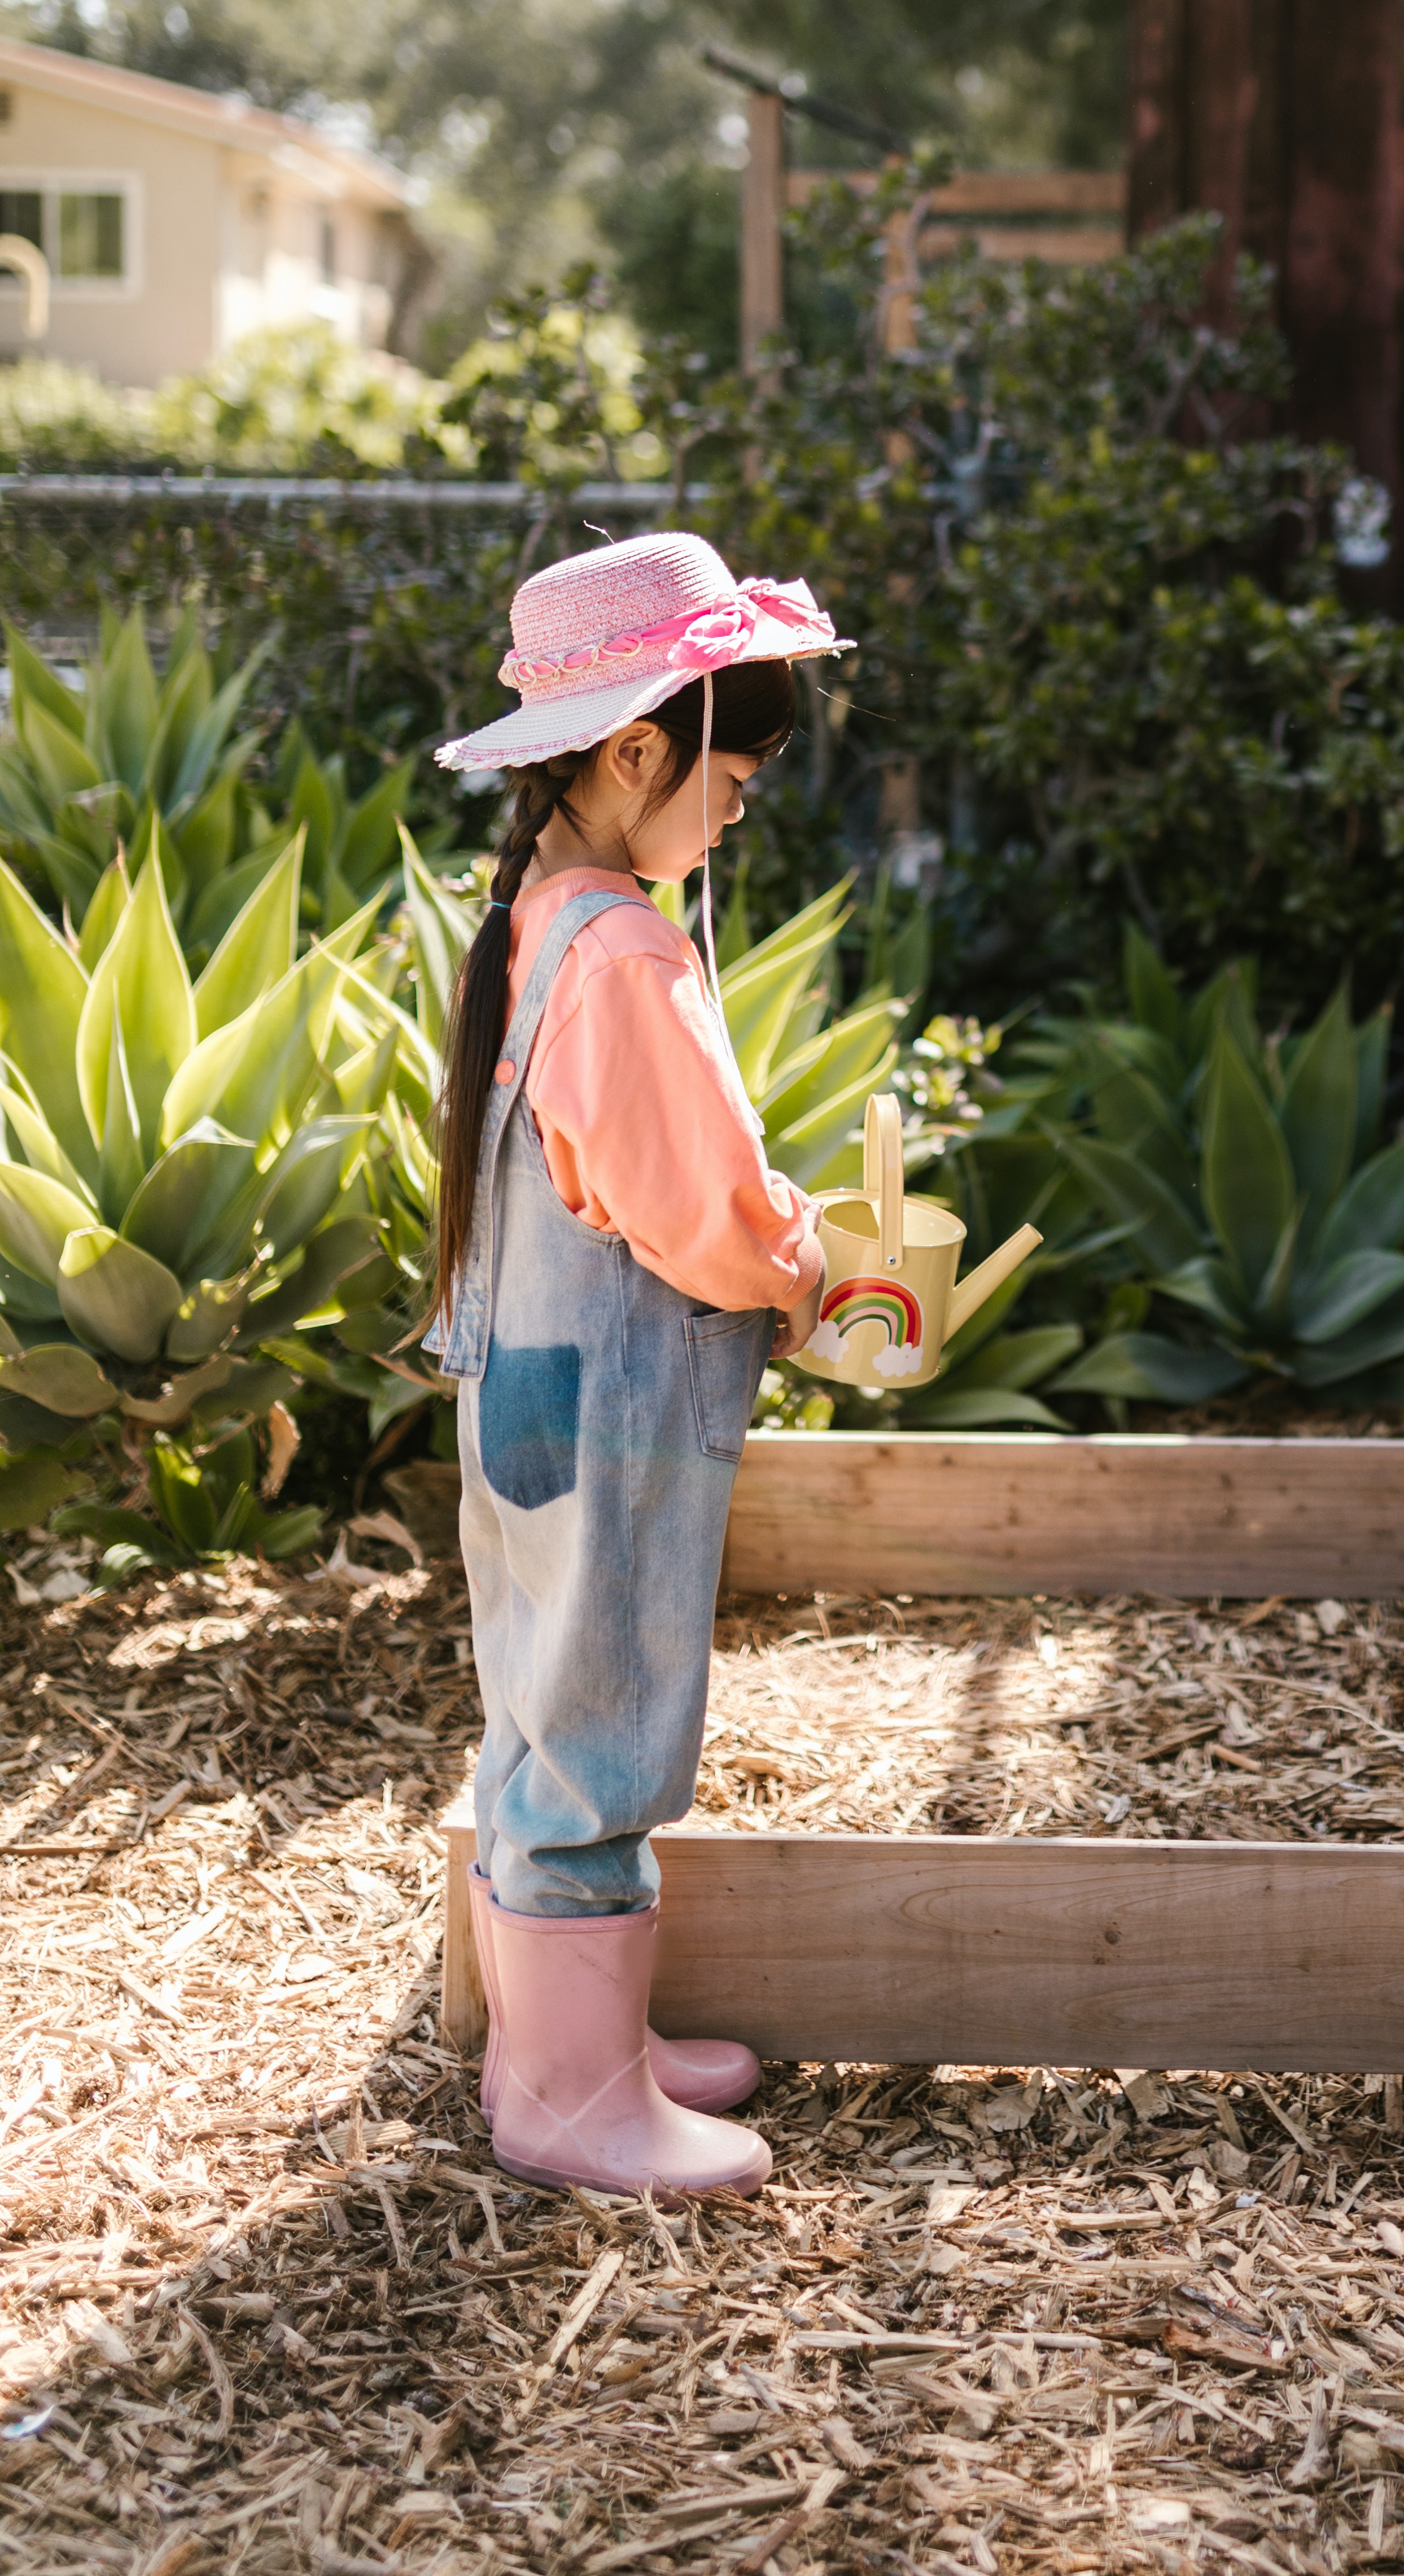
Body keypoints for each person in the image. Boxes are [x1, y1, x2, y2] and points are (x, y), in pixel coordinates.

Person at [430, 532, 841, 2199]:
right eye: (733, 776)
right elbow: (699, 1214)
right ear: (636, 750)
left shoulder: (549, 913)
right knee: (603, 1728)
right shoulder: (632, 957)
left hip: (526, 1385)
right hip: (618, 1411)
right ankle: (572, 2099)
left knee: (542, 1705)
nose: (739, 810)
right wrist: (806, 1265)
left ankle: (569, 2047)